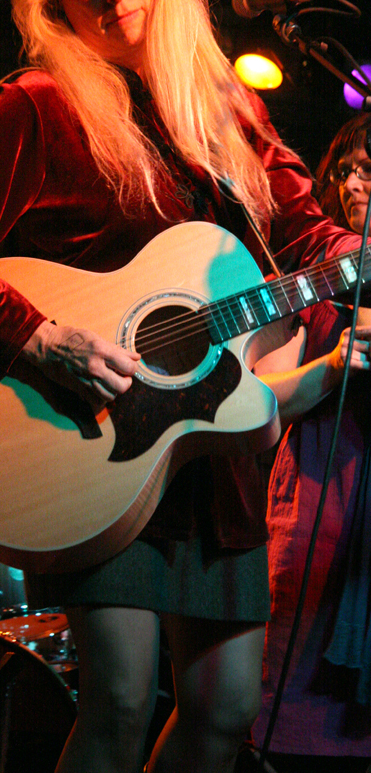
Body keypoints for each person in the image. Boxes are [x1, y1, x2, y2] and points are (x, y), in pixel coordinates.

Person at [0, 0, 367, 770]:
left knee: (226, 711)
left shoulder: (226, 107)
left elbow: (308, 236)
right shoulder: (40, 103)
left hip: (213, 450)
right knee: (122, 698)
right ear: (57, 5)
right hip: (94, 442)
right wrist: (39, 338)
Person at [252, 113, 371, 770]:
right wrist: (330, 367)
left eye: (368, 170)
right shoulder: (315, 282)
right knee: (302, 722)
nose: (352, 184)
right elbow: (254, 400)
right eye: (345, 171)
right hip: (323, 505)